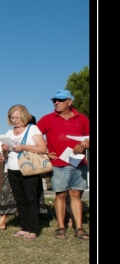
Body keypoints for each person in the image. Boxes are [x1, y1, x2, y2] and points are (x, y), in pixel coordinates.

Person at [36, 89, 90, 240]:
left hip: (79, 163)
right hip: (58, 163)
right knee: (60, 194)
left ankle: (79, 228)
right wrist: (44, 152)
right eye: (54, 100)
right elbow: (35, 137)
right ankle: (61, 227)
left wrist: (85, 144)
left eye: (59, 100)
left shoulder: (83, 119)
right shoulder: (47, 119)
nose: (56, 103)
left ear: (69, 102)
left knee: (76, 194)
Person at [0, 105, 48, 241]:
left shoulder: (32, 129)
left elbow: (43, 148)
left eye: (17, 117)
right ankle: (24, 227)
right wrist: (4, 149)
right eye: (12, 118)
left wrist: (24, 147)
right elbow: (6, 155)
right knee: (20, 199)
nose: (15, 120)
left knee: (31, 199)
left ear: (24, 116)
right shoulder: (10, 132)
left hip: (29, 169)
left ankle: (33, 230)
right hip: (12, 168)